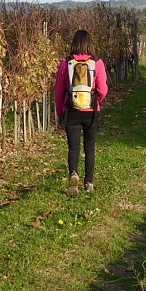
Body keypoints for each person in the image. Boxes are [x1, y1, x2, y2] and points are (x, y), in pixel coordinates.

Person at [54, 29, 108, 197]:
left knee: (74, 148)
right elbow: (103, 89)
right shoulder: (97, 63)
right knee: (90, 148)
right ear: (89, 43)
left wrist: (59, 113)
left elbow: (58, 91)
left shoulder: (66, 62)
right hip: (91, 112)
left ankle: (73, 174)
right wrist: (97, 100)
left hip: (71, 111)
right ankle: (89, 183)